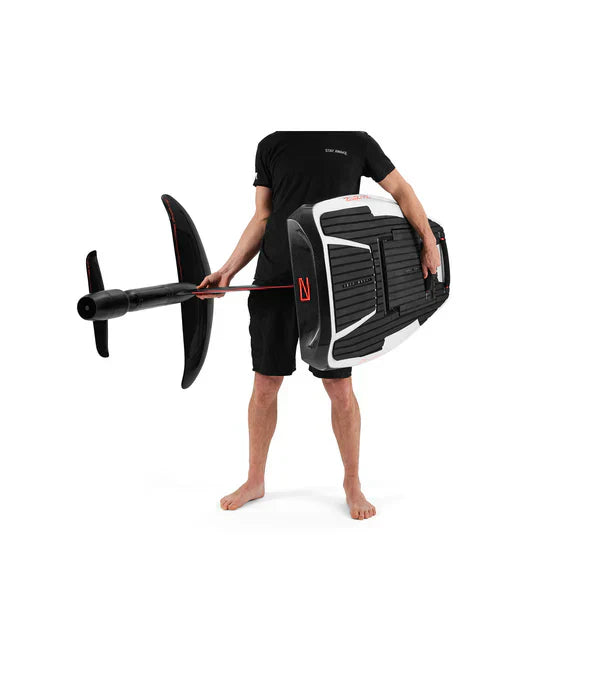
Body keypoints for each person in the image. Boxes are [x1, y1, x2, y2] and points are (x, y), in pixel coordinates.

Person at [198, 132, 440, 519]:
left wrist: (427, 239)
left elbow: (400, 190)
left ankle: (352, 483)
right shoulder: (272, 143)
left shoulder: (356, 140)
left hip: (335, 284)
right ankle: (255, 480)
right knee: (265, 386)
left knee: (340, 389)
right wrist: (228, 270)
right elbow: (263, 216)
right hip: (276, 280)